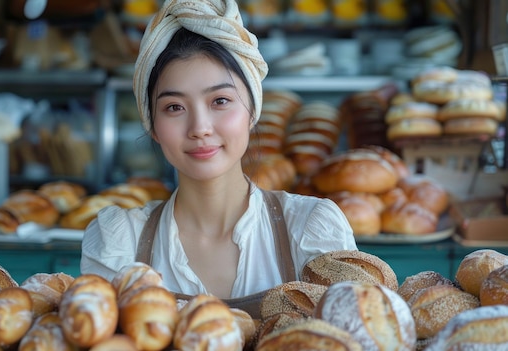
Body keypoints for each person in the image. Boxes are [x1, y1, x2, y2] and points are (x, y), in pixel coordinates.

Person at [81, 0, 356, 305]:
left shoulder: (310, 229)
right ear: (153, 126)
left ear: (252, 110)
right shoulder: (121, 242)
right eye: (174, 107)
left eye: (220, 101)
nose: (200, 128)